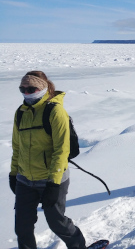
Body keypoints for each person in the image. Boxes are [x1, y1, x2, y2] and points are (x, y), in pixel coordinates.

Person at [10, 71, 88, 249]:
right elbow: (17, 147)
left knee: (56, 222)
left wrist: (53, 184)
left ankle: (78, 246)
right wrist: (14, 174)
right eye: (22, 89)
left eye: (31, 89)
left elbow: (62, 150)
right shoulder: (20, 113)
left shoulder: (54, 110)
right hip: (25, 179)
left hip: (52, 178)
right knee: (22, 228)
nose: (26, 93)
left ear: (43, 88)